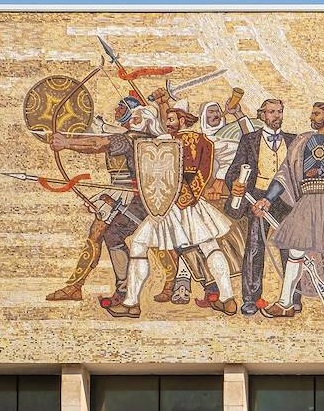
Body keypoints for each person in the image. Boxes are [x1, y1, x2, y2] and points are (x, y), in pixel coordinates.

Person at [119, 100, 238, 317]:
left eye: (172, 119)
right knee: (210, 246)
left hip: (167, 204)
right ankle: (227, 299)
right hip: (193, 204)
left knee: (138, 245)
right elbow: (215, 164)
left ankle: (131, 303)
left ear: (182, 120)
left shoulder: (165, 142)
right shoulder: (206, 141)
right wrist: (203, 188)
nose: (168, 123)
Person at [44, 97, 154, 307]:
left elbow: (98, 144)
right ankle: (84, 287)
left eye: (122, 107)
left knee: (108, 235)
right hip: (122, 195)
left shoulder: (129, 138)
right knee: (103, 235)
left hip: (131, 197)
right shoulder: (129, 135)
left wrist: (66, 144)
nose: (116, 109)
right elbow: (95, 140)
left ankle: (104, 288)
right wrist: (67, 139)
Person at [262, 102, 324, 319]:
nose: (311, 117)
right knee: (295, 252)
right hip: (308, 201)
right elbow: (284, 173)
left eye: (316, 114)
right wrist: (268, 199)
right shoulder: (303, 141)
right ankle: (285, 303)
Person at [222, 98, 298, 316]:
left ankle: (293, 298)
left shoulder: (293, 140)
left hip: (287, 199)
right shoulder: (249, 140)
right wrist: (236, 184)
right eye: (272, 112)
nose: (276, 116)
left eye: (279, 111)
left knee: (292, 248)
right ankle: (251, 299)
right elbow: (234, 171)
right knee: (255, 247)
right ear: (262, 115)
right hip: (258, 198)